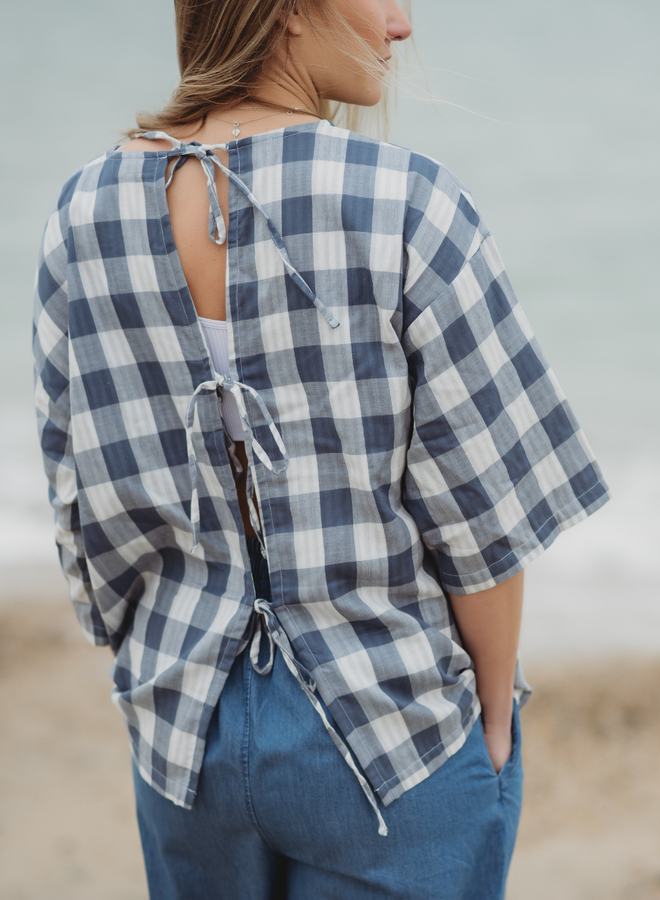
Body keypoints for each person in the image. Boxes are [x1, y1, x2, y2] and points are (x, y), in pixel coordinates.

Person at [32, 0, 610, 897]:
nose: (402, 23)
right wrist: (495, 716)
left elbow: (80, 497)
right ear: (290, 8)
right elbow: (482, 516)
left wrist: (153, 664)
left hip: (186, 731)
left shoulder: (79, 214)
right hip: (392, 729)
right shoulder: (409, 200)